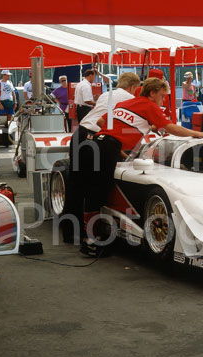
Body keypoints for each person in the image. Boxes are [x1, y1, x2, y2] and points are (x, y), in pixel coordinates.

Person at [79, 78, 203, 256]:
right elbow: (170, 127)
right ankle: (90, 242)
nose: (163, 100)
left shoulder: (126, 103)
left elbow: (101, 123)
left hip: (96, 144)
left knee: (93, 192)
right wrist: (197, 134)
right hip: (107, 149)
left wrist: (130, 132)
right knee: (98, 194)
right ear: (152, 93)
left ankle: (91, 239)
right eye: (162, 95)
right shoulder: (150, 107)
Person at [59, 72, 141, 244]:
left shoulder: (106, 94)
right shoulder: (129, 99)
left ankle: (70, 232)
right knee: (96, 187)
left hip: (80, 134)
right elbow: (107, 127)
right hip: (94, 138)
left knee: (75, 185)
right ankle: (93, 234)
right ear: (133, 87)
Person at [0, 70, 17, 146]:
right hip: (3, 103)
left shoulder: (10, 83)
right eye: (7, 75)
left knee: (9, 121)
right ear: (3, 75)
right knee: (3, 121)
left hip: (10, 103)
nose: (9, 76)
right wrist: (0, 104)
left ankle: (9, 138)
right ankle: (3, 139)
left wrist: (15, 102)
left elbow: (13, 93)